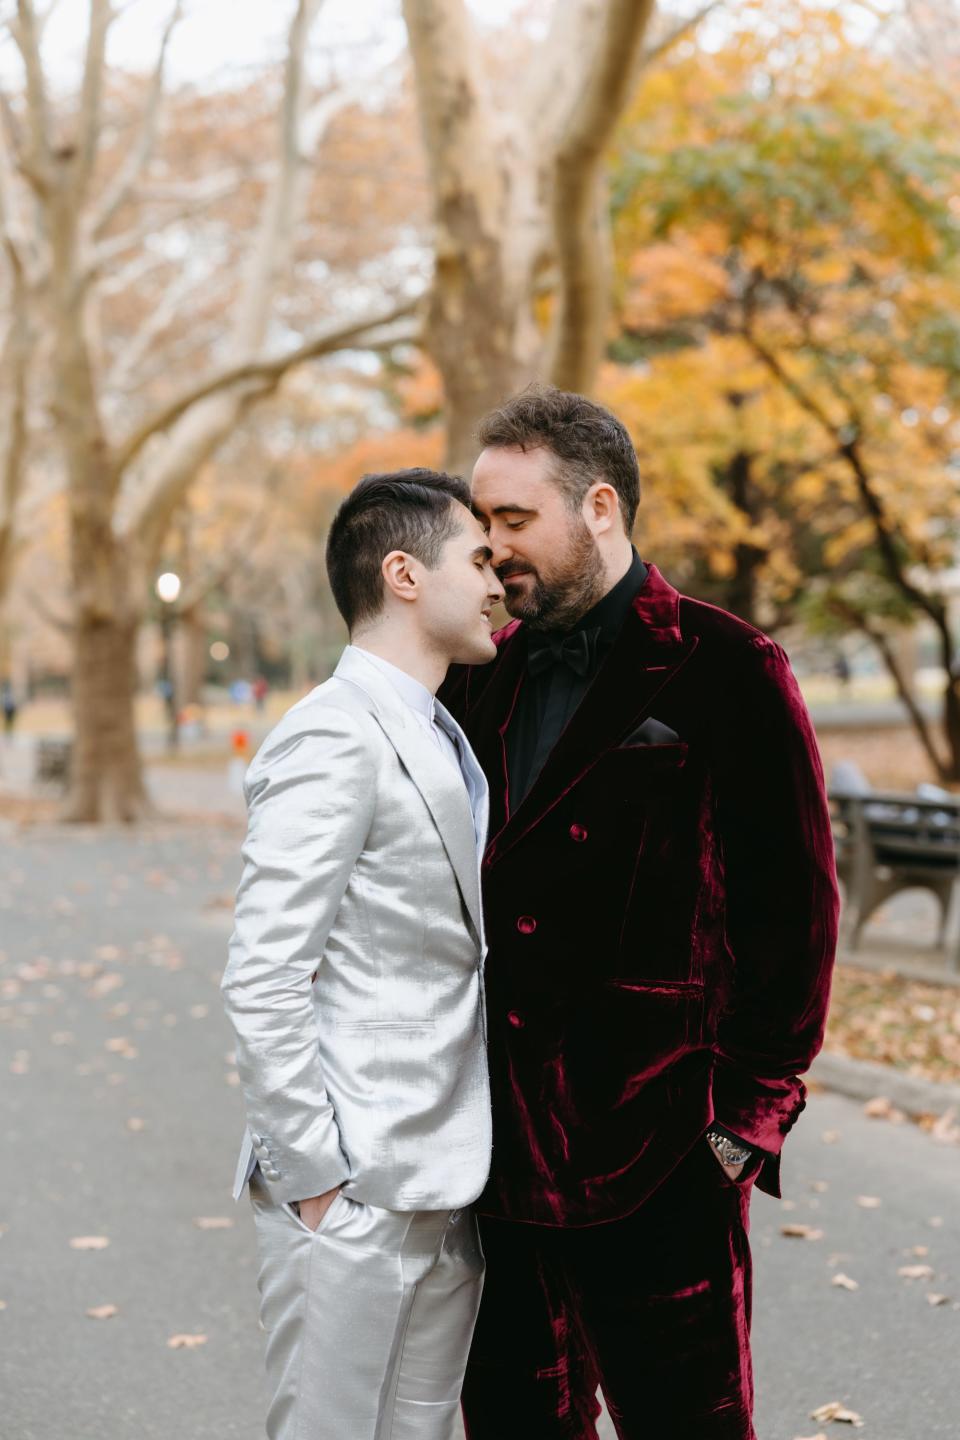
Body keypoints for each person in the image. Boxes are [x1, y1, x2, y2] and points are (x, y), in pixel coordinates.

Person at [438, 387, 840, 1440]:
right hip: (494, 1154)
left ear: (601, 509)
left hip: (662, 1152)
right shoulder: (477, 676)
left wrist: (743, 1126)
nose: (490, 550)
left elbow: (794, 910)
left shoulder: (730, 667)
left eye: (514, 521)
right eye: (480, 525)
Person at [222, 468, 505, 1440]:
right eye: (478, 558)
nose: (499, 580)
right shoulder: (330, 735)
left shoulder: (443, 731)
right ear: (405, 574)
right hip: (352, 1193)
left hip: (446, 1182)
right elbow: (263, 973)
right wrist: (317, 1183)